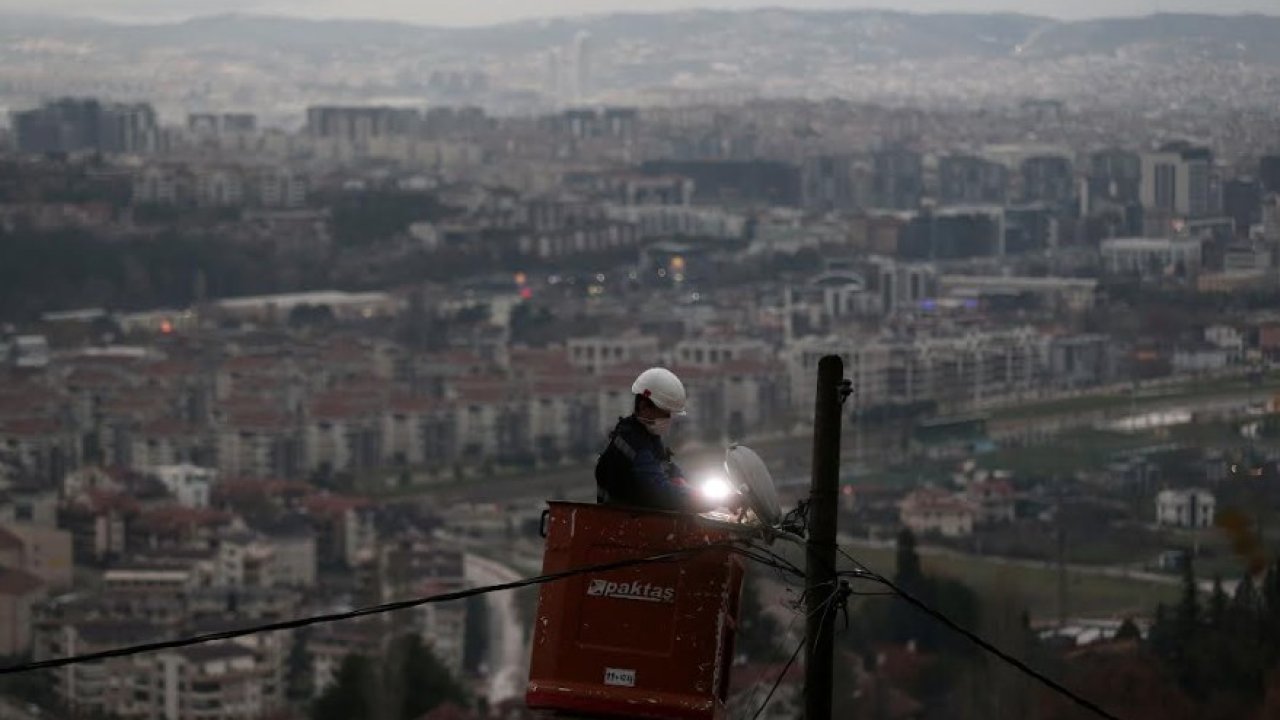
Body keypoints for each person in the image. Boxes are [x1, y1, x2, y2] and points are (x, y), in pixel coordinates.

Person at [596, 367, 717, 513]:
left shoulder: (647, 436)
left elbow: (668, 469)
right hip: (622, 524)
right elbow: (660, 492)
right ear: (644, 407)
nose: (669, 420)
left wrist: (685, 484)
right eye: (665, 414)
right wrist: (711, 500)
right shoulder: (632, 441)